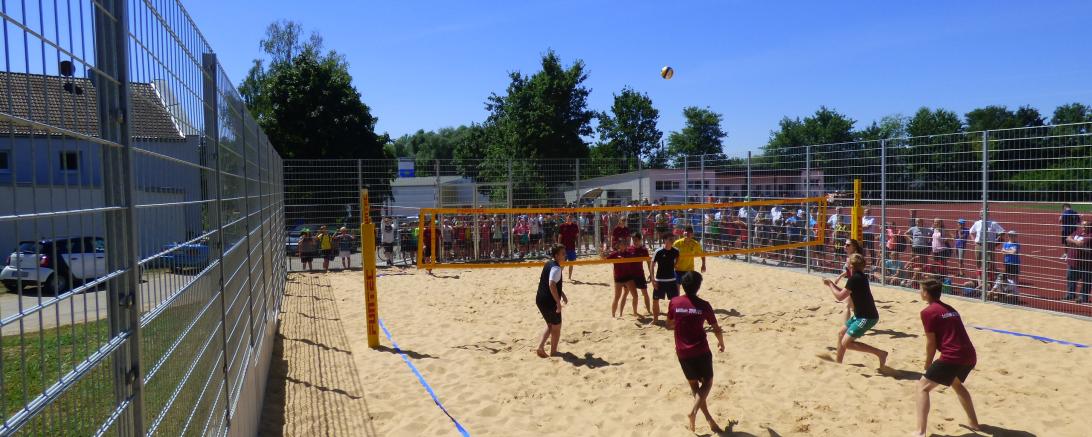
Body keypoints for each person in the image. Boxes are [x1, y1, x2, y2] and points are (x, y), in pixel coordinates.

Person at [913, 278, 980, 437]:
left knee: (922, 387)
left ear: (926, 293)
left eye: (921, 289)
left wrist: (928, 363)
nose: (919, 291)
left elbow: (931, 343)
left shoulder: (927, 312)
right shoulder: (950, 308)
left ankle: (920, 432)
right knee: (956, 384)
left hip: (953, 355)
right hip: (969, 355)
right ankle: (974, 423)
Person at [666, 272, 725, 433]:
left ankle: (708, 419)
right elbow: (716, 328)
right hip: (700, 349)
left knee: (695, 386)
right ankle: (693, 412)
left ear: (683, 285)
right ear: (698, 286)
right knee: (708, 382)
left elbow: (669, 323)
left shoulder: (675, 302)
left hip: (682, 351)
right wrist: (721, 342)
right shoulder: (704, 305)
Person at [822, 254, 888, 368]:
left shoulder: (855, 278)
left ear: (851, 266)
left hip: (867, 317)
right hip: (860, 315)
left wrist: (830, 284)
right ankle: (838, 364)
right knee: (841, 334)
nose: (846, 263)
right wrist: (833, 285)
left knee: (846, 343)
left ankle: (880, 353)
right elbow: (845, 292)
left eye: (847, 262)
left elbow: (839, 297)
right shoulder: (859, 276)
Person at [535, 244, 569, 358]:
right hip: (549, 302)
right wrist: (558, 303)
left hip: (540, 299)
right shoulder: (556, 268)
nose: (565, 255)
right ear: (556, 255)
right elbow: (551, 284)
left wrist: (562, 294)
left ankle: (540, 347)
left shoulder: (548, 264)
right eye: (563, 254)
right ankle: (553, 352)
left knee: (550, 324)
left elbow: (550, 282)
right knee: (557, 327)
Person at [619, 232, 652, 318]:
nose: (635, 242)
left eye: (636, 240)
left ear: (640, 240)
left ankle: (649, 311)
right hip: (629, 276)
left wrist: (651, 274)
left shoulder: (644, 250)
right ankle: (621, 313)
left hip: (640, 274)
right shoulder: (629, 249)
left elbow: (649, 262)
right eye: (633, 240)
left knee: (645, 293)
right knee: (625, 293)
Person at [650, 233, 680, 324]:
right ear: (665, 240)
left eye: (673, 238)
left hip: (671, 280)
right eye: (670, 239)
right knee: (655, 300)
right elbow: (652, 265)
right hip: (660, 280)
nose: (672, 240)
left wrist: (675, 264)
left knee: (674, 301)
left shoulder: (676, 251)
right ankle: (655, 320)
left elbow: (678, 257)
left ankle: (671, 319)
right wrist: (653, 279)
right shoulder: (658, 251)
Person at [604, 241, 635, 317]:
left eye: (625, 244)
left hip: (628, 277)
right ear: (619, 245)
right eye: (622, 244)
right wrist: (603, 252)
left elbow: (634, 259)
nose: (624, 245)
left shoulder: (628, 253)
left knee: (628, 295)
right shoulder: (615, 254)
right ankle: (613, 315)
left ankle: (622, 313)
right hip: (619, 277)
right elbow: (606, 259)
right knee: (617, 297)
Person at [1065, 220, 1092, 302]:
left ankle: (1083, 297)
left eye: (1085, 226)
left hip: (1085, 264)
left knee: (1086, 281)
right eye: (1082, 225)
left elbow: (1081, 244)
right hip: (1073, 261)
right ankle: (1070, 295)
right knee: (1071, 279)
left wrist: (1072, 242)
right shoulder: (1077, 231)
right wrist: (1075, 242)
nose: (1083, 227)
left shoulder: (1090, 235)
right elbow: (1067, 239)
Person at [557, 214, 581, 280]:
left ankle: (570, 277)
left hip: (572, 247)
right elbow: (559, 236)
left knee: (571, 263)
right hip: (564, 248)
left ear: (572, 219)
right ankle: (558, 277)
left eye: (570, 218)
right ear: (566, 219)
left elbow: (577, 236)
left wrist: (578, 244)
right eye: (568, 218)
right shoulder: (562, 226)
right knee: (562, 264)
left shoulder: (575, 226)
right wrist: (558, 246)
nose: (569, 219)